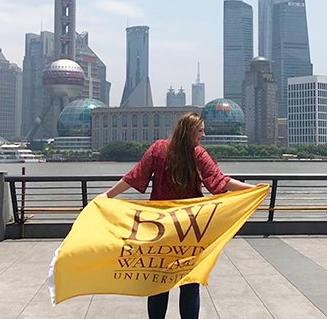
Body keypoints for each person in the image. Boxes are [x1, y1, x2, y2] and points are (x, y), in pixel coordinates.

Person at [99, 112, 255, 319]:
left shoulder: (158, 149)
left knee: (157, 283)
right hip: (188, 229)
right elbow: (220, 181)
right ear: (189, 132)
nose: (203, 134)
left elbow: (134, 176)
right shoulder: (197, 154)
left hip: (159, 228)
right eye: (200, 130)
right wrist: (252, 189)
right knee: (190, 284)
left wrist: (106, 196)